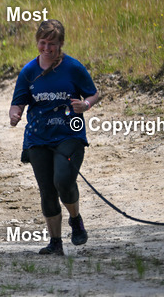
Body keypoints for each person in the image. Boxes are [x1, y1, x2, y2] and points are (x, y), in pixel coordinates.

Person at [9, 19, 99, 255]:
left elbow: (93, 94)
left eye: (52, 44)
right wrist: (15, 113)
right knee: (47, 190)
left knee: (63, 181)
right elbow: (18, 102)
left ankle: (75, 219)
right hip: (38, 138)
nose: (47, 48)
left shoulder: (73, 67)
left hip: (70, 134)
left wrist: (85, 105)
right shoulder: (29, 71)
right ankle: (55, 243)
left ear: (61, 45)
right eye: (43, 43)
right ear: (37, 42)